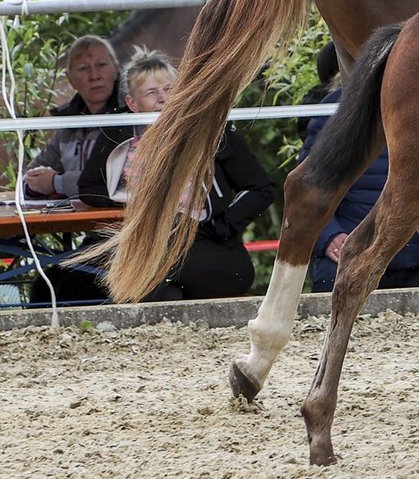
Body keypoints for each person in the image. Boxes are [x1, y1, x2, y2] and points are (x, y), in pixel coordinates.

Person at [76, 49, 275, 301]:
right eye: (151, 92)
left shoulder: (214, 133)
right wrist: (135, 200)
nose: (162, 99)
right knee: (153, 290)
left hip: (206, 241)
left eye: (169, 90)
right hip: (146, 241)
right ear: (132, 104)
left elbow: (261, 189)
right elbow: (89, 189)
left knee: (155, 283)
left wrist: (221, 225)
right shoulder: (116, 135)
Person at [302, 87, 419, 292]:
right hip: (355, 248)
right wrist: (329, 235)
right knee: (329, 288)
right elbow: (309, 187)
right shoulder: (335, 107)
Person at [22, 35, 121, 199]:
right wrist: (35, 186)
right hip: (72, 221)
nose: (94, 75)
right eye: (83, 68)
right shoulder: (68, 123)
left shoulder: (130, 117)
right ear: (70, 79)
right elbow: (28, 178)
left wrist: (56, 183)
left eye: (101, 65)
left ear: (116, 69)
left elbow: (114, 182)